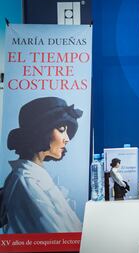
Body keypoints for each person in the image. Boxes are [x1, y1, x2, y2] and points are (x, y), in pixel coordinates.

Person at [0, 97, 83, 233]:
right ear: (41, 131)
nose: (67, 139)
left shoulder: (35, 176)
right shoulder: (27, 181)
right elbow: (57, 236)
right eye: (62, 129)